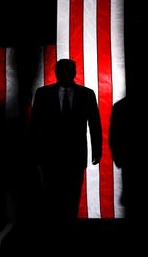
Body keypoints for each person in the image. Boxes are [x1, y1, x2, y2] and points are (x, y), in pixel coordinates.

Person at [29, 58, 102, 223]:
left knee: (73, 196)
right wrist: (35, 154)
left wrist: (97, 149)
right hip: (50, 156)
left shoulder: (87, 94)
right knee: (52, 196)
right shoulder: (42, 93)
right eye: (61, 70)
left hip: (76, 155)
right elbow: (34, 125)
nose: (64, 73)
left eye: (68, 70)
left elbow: (94, 123)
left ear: (74, 73)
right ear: (56, 72)